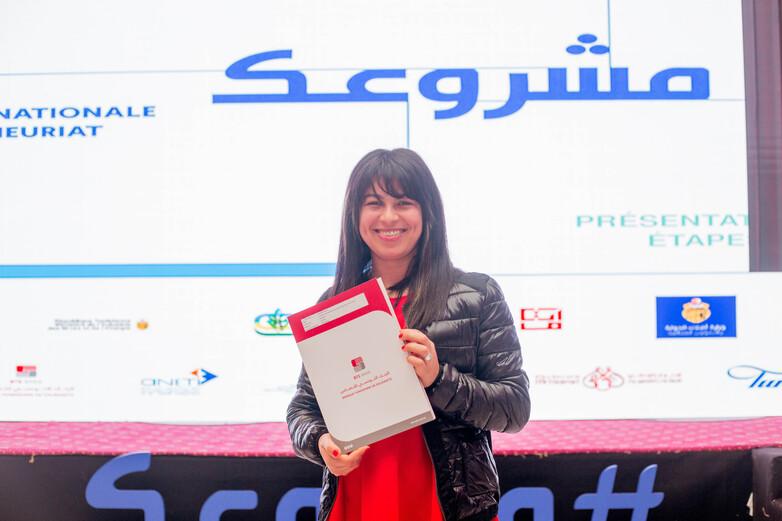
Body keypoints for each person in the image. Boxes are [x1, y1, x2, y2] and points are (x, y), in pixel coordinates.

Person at [287, 148, 530, 521]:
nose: (388, 217)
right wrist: (322, 443)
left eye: (403, 202)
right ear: (355, 216)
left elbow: (514, 409)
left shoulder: (476, 297)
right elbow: (304, 408)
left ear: (427, 212)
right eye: (374, 203)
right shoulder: (335, 303)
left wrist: (438, 379)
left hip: (446, 506)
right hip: (358, 500)